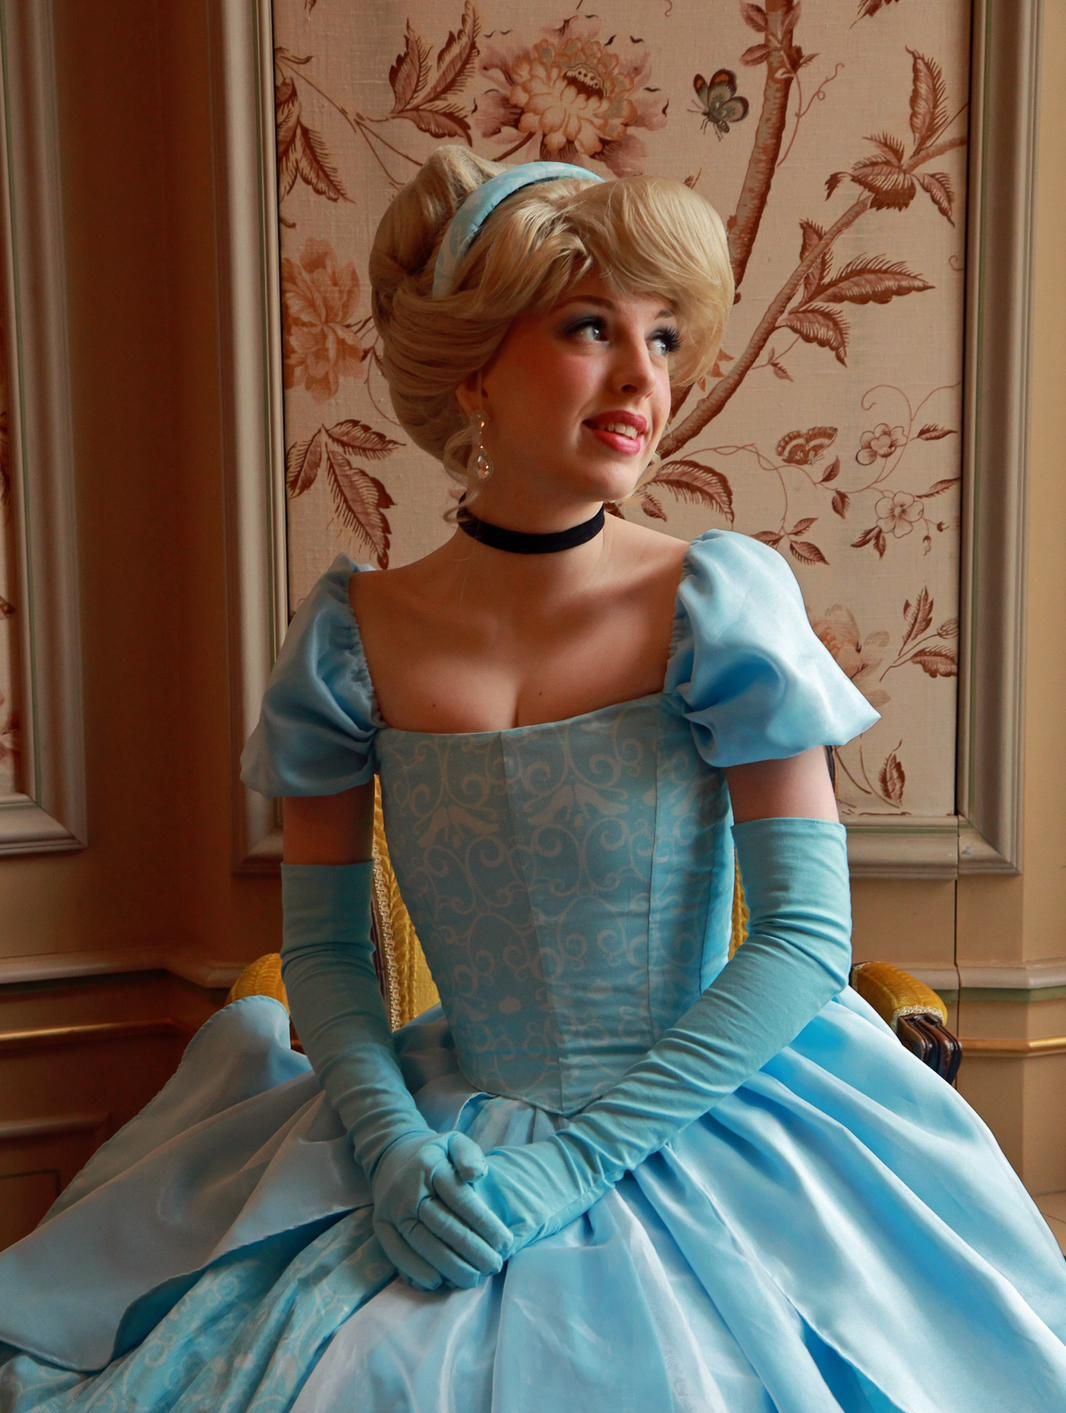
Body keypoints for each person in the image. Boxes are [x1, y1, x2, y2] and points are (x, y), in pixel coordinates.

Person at [1, 146, 1064, 1412]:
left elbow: (802, 938)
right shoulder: (351, 638)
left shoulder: (718, 603)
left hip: (707, 1117)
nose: (644, 380)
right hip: (440, 1130)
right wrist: (393, 1151)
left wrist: (571, 1167)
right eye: (589, 328)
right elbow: (327, 953)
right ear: (473, 367)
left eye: (662, 338)